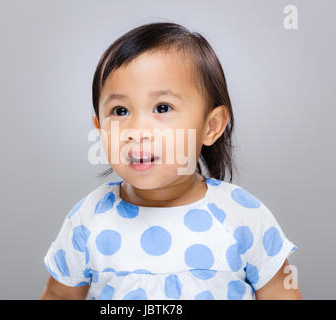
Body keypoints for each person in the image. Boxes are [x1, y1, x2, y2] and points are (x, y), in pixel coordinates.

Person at [40, 22, 302, 300]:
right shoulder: (89, 219)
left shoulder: (243, 216)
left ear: (211, 126)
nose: (138, 131)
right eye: (120, 110)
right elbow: (60, 295)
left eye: (162, 108)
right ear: (100, 128)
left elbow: (280, 293)